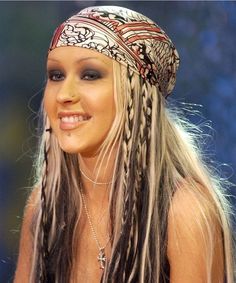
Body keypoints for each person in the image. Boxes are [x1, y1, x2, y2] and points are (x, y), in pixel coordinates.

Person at [14, 5, 235, 283]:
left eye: (90, 75)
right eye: (56, 75)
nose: (64, 95)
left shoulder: (184, 212)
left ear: (137, 94)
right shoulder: (45, 204)